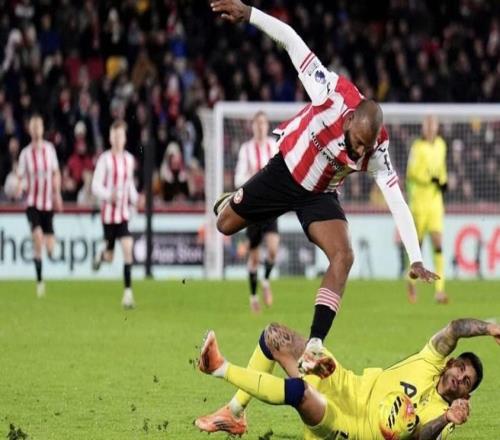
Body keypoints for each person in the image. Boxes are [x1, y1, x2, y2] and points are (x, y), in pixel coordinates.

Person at [210, 0, 438, 372]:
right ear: (349, 120)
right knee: (224, 225)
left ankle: (315, 344)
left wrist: (415, 257)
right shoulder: (329, 91)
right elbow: (290, 39)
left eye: (365, 146)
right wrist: (249, 13)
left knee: (344, 255)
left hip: (319, 194)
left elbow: (397, 200)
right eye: (356, 142)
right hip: (285, 171)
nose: (358, 151)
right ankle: (233, 199)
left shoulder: (377, 151)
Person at [197, 318, 500, 438]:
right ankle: (235, 412)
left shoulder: (446, 416)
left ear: (466, 396)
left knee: (300, 392)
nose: (460, 377)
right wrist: (489, 328)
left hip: (353, 429)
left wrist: (447, 417)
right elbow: (455, 329)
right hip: (345, 383)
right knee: (275, 336)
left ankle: (219, 368)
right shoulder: (429, 360)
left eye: (467, 382)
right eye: (461, 368)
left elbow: (420, 438)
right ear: (450, 363)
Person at [234, 111, 280, 312]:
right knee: (253, 257)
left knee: (273, 250)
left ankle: (266, 281)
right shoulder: (246, 149)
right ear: (252, 126)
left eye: (263, 123)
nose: (260, 126)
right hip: (253, 210)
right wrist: (255, 178)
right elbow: (237, 179)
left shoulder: (274, 146)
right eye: (257, 123)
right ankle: (253, 297)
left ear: (267, 126)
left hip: (270, 208)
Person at [91, 120, 139, 309]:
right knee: (110, 257)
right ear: (111, 138)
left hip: (123, 214)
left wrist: (136, 199)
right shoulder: (104, 160)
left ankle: (128, 294)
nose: (118, 139)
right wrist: (107, 195)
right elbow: (95, 186)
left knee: (128, 247)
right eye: (115, 136)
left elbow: (129, 185)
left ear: (124, 138)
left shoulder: (129, 160)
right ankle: (101, 255)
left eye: (121, 136)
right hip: (108, 216)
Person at [16, 115, 63, 297]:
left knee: (50, 248)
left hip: (48, 204)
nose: (36, 130)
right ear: (30, 130)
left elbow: (56, 173)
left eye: (39, 126)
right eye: (33, 126)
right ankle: (40, 282)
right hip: (32, 203)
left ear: (42, 129)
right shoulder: (25, 154)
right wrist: (19, 187)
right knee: (37, 238)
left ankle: (47, 248)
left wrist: (57, 194)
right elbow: (20, 176)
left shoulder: (49, 150)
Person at [406, 116, 448, 304]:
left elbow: (442, 169)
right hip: (419, 202)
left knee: (438, 243)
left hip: (435, 201)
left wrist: (444, 181)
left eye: (433, 125)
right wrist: (429, 178)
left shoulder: (441, 145)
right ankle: (411, 282)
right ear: (423, 128)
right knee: (418, 246)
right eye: (427, 126)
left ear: (437, 127)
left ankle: (440, 290)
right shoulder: (417, 147)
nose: (430, 129)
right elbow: (411, 172)